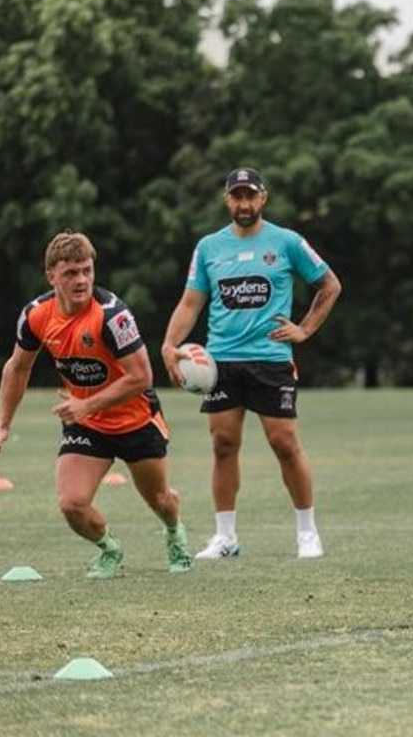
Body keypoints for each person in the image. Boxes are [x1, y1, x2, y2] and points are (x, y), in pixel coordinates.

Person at [162, 167, 341, 560]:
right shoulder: (209, 247)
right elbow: (191, 302)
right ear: (228, 200)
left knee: (285, 443)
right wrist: (169, 344)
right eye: (237, 196)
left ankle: (307, 532)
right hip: (221, 361)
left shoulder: (288, 242)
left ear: (263, 198)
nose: (244, 203)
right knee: (223, 445)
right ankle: (226, 537)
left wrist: (305, 329)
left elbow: (330, 284)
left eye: (251, 196)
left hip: (271, 359)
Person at [0, 232, 193, 579]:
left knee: (160, 499)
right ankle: (110, 548)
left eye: (87, 270)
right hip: (86, 424)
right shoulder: (35, 315)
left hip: (135, 420)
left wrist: (87, 406)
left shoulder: (111, 316)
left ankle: (174, 531)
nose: (82, 280)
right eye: (71, 273)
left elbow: (141, 377)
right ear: (51, 276)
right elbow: (18, 368)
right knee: (71, 503)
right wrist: (3, 423)